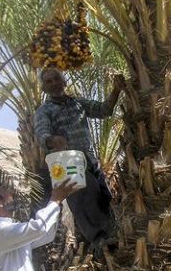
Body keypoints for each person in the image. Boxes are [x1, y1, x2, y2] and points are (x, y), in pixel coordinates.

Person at [34, 68, 125, 255]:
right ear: (44, 87)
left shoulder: (77, 103)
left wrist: (116, 90)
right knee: (83, 200)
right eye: (48, 81)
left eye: (56, 79)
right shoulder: (45, 110)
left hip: (90, 160)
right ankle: (99, 240)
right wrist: (52, 140)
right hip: (68, 162)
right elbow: (41, 133)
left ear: (64, 81)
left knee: (103, 196)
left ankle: (113, 235)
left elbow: (104, 110)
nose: (53, 83)